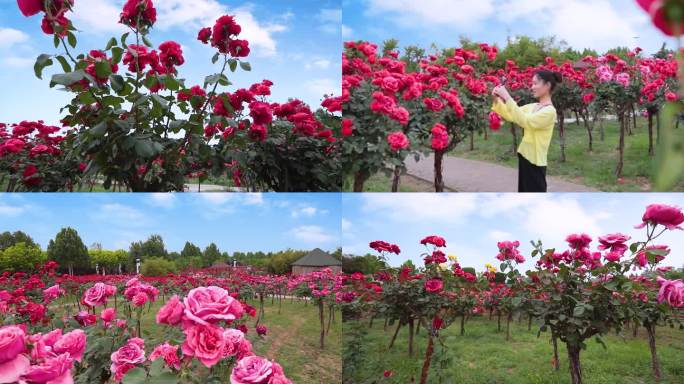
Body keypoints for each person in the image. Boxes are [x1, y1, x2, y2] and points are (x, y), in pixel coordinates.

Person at [491, 70, 561, 192]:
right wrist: (496, 100)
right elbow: (511, 115)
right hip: (524, 156)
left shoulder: (549, 112)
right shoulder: (533, 106)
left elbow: (525, 122)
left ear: (547, 85)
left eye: (535, 84)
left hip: (535, 161)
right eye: (532, 84)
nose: (532, 87)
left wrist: (507, 96)